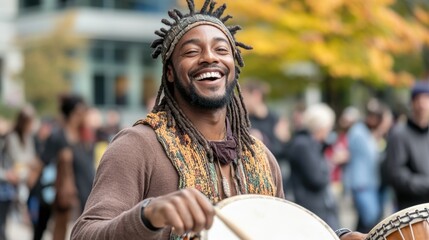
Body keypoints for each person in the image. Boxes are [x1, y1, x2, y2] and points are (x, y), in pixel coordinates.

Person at [71, 1, 366, 239]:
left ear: (233, 67)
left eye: (221, 50)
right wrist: (149, 215)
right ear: (170, 72)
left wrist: (334, 236)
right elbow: (85, 234)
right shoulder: (137, 146)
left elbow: (279, 232)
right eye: (191, 51)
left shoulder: (261, 158)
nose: (209, 58)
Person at [40, 95, 95, 240]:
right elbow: (42, 162)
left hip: (86, 188)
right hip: (65, 191)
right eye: (81, 111)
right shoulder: (58, 136)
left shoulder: (85, 135)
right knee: (61, 226)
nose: (84, 115)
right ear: (73, 113)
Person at [288, 103, 340, 229]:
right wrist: (330, 165)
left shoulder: (310, 144)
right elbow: (317, 178)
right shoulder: (304, 145)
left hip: (317, 206)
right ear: (321, 126)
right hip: (312, 207)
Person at [383, 81, 429, 210]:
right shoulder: (398, 134)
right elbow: (396, 174)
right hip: (409, 212)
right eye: (418, 100)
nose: (422, 105)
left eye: (426, 99)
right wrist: (426, 184)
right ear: (412, 103)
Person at [343, 99, 385, 233]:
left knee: (364, 222)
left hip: (369, 183)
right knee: (369, 219)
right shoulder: (358, 132)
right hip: (361, 184)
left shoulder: (366, 133)